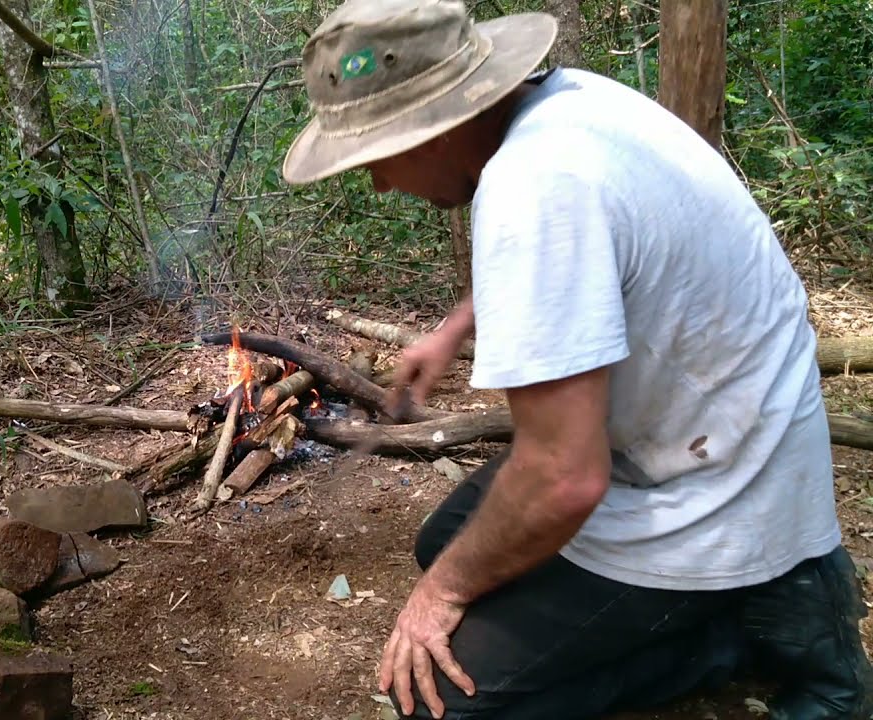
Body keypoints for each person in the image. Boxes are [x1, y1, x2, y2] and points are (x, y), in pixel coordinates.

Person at [279, 0, 873, 718]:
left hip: (716, 483)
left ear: (437, 126)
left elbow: (563, 479)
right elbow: (597, 251)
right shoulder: (568, 104)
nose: (378, 181)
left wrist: (438, 596)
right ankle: (736, 605)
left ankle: (734, 630)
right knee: (446, 540)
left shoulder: (534, 188)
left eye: (378, 155)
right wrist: (455, 327)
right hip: (725, 425)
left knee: (441, 699)